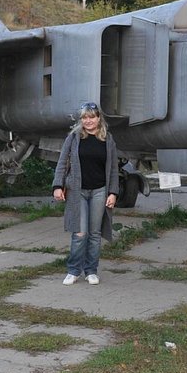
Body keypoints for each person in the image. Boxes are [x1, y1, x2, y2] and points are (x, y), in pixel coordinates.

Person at [52, 101, 120, 285]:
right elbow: (62, 163)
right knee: (80, 233)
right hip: (77, 191)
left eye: (92, 117)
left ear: (99, 118)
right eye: (84, 117)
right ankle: (73, 270)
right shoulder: (73, 138)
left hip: (99, 191)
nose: (88, 121)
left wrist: (113, 192)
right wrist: (57, 186)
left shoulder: (108, 140)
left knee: (95, 233)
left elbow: (113, 169)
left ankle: (91, 270)